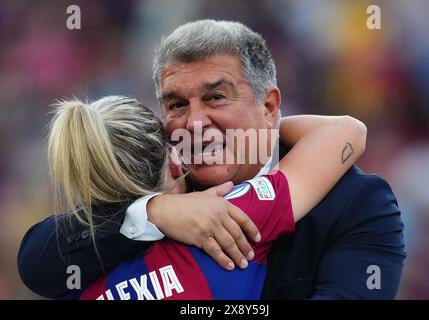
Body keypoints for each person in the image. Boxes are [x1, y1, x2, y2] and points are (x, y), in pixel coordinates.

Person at [18, 20, 406, 299]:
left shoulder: (357, 202)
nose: (197, 121)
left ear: (268, 105)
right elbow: (38, 260)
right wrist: (155, 213)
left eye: (216, 97)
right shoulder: (146, 185)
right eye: (177, 104)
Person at [45, 95, 366, 299]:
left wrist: (151, 212)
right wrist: (251, 129)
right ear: (173, 161)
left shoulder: (72, 277)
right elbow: (346, 133)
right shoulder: (229, 214)